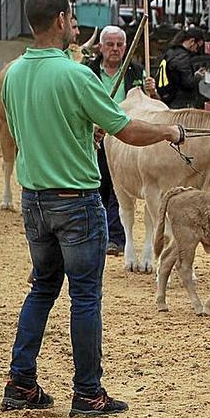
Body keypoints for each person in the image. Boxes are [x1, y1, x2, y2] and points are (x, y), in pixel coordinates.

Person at [0, 0, 183, 417]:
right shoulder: (77, 75)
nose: (75, 27)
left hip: (35, 201)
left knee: (42, 288)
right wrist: (169, 131)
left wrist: (84, 134)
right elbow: (127, 130)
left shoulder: (11, 76)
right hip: (76, 201)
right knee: (85, 296)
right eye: (73, 20)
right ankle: (87, 393)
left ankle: (20, 382)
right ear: (61, 20)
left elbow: (30, 132)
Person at [86, 25, 158, 256]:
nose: (115, 49)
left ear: (125, 47)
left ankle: (115, 239)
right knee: (97, 186)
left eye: (119, 45)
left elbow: (149, 106)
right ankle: (97, 235)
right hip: (95, 136)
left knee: (120, 189)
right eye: (110, 44)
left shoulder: (136, 72)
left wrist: (152, 92)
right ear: (101, 47)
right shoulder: (87, 72)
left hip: (123, 138)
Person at [156, 28, 207, 109]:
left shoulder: (170, 52)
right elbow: (188, 83)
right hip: (179, 102)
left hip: (167, 98)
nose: (196, 51)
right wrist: (198, 76)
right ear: (192, 41)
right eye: (197, 47)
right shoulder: (182, 57)